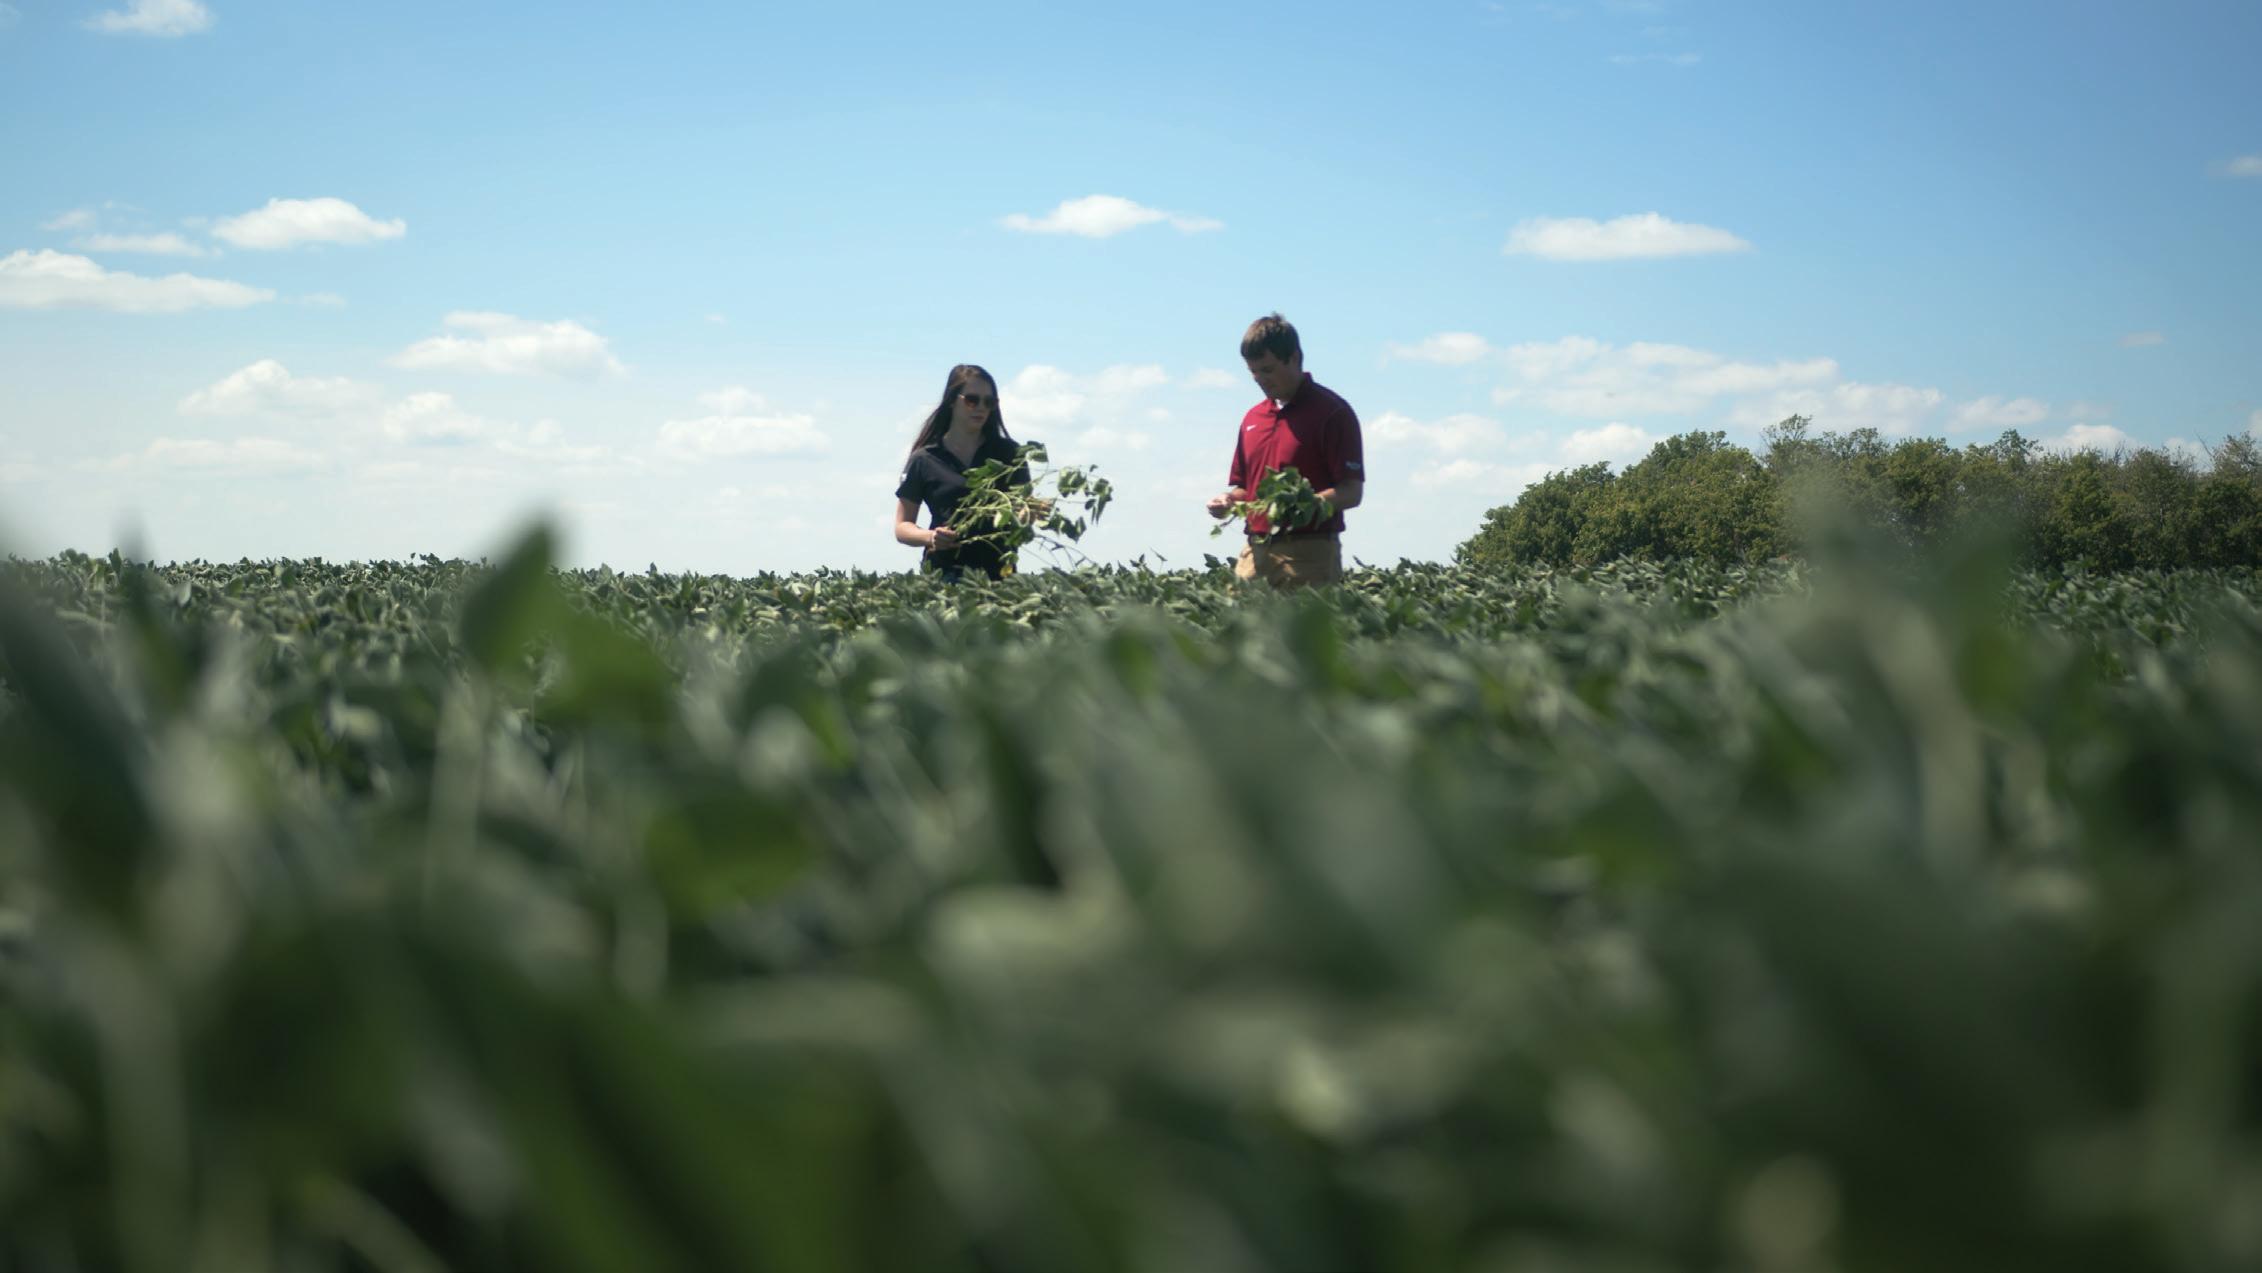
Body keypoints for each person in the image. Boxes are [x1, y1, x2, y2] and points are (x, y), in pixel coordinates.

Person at [1205, 313, 1365, 587]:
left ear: (1293, 358)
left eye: (1267, 370)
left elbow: (1351, 492)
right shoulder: (1253, 418)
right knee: (1241, 627)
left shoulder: (1332, 412)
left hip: (1310, 552)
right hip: (1254, 551)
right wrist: (1228, 501)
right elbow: (1246, 489)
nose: (1259, 380)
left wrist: (1303, 505)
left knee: (1303, 630)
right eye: (1253, 372)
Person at [894, 364, 1030, 581]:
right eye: (972, 400)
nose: (981, 408)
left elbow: (1023, 509)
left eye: (989, 402)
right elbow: (902, 527)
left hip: (999, 578)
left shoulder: (1009, 454)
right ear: (951, 401)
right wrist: (930, 537)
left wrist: (1029, 513)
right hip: (944, 577)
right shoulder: (925, 459)